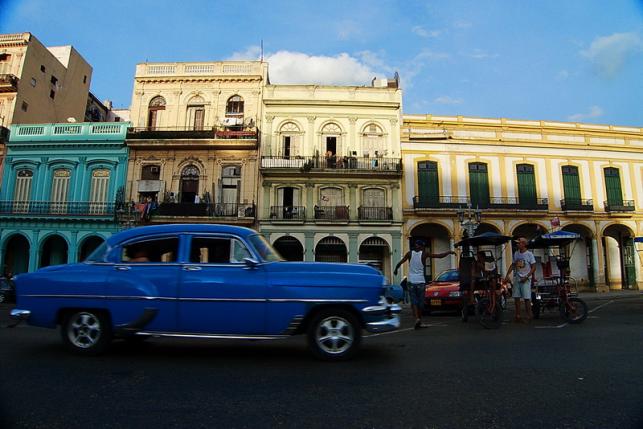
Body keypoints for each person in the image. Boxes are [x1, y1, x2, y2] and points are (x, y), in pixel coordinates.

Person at [394, 239, 455, 329]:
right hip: (421, 282)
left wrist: (396, 269)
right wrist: (449, 252)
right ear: (422, 246)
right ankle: (419, 320)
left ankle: (417, 319)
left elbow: (400, 262)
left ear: (415, 245)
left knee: (414, 302)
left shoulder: (409, 253)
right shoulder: (424, 254)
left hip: (411, 281)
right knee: (420, 303)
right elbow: (438, 256)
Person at [505, 237, 536, 323]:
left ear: (523, 244)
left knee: (526, 298)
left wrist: (527, 277)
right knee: (516, 297)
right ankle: (518, 315)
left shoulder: (529, 254)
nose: (517, 244)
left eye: (519, 243)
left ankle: (529, 315)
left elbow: (533, 267)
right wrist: (507, 275)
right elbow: (513, 264)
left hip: (526, 278)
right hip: (518, 277)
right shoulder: (516, 253)